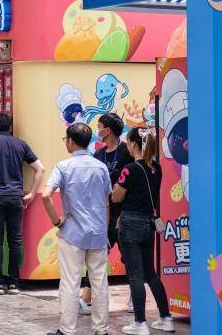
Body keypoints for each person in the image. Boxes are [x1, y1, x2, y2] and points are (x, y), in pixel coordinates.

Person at [41, 123, 111, 335]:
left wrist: (56, 221)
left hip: (72, 233)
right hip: (98, 232)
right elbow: (106, 202)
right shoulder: (101, 167)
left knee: (70, 282)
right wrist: (104, 230)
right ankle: (101, 329)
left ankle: (67, 330)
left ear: (71, 141)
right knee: (99, 283)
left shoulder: (63, 167)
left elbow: (45, 195)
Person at [112, 127, 174, 334]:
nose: (127, 145)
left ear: (133, 144)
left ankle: (140, 323)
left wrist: (114, 191)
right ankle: (166, 318)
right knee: (150, 273)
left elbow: (116, 196)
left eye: (128, 141)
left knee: (135, 275)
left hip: (130, 223)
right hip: (149, 223)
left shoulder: (129, 169)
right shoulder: (156, 168)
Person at [0, 112, 45, 294]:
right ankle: (14, 283)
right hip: (16, 197)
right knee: (15, 240)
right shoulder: (20, 144)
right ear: (10, 127)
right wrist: (31, 193)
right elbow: (40, 168)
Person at [80, 112, 133, 312]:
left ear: (108, 130)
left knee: (129, 255)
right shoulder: (99, 154)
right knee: (97, 254)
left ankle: (133, 297)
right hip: (102, 213)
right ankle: (87, 296)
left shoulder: (126, 152)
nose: (97, 129)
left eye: (99, 125)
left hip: (123, 212)